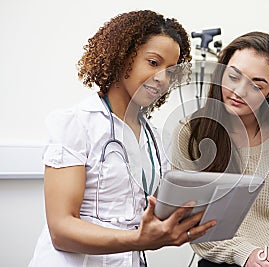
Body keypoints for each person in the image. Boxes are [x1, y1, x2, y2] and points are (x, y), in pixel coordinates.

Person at [29, 10, 216, 267]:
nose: (162, 78)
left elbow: (148, 213)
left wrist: (183, 219)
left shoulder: (153, 138)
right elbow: (61, 230)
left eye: (170, 71)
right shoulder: (76, 124)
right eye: (153, 62)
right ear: (122, 56)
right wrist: (137, 239)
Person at [171, 31, 269, 267]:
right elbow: (193, 222)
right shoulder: (191, 134)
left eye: (256, 85)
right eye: (233, 77)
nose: (239, 91)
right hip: (228, 259)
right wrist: (246, 254)